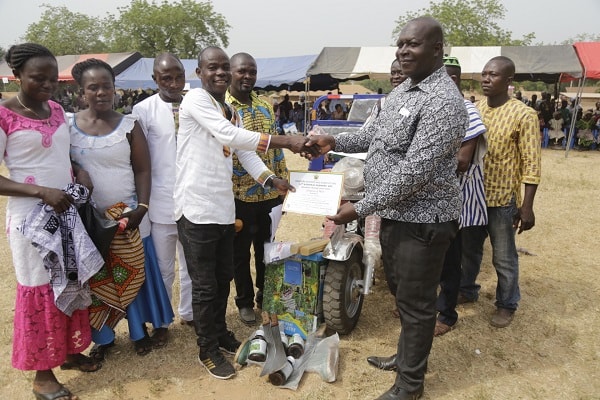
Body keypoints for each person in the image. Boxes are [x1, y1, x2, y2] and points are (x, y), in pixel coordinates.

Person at [306, 17, 466, 400]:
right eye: (400, 45)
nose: (403, 51)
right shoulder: (403, 91)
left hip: (423, 221)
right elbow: (373, 136)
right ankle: (405, 357)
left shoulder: (443, 101)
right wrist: (333, 139)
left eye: (413, 44)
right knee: (402, 294)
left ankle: (410, 385)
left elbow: (415, 171)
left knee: (417, 303)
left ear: (437, 49)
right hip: (395, 214)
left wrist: (360, 208)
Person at [174, 46, 313, 380]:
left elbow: (243, 150)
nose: (220, 73)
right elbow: (230, 136)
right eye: (213, 68)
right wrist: (286, 142)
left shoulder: (227, 109)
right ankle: (206, 349)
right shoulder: (195, 101)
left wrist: (270, 179)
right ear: (199, 73)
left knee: (223, 278)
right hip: (196, 209)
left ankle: (219, 333)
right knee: (206, 286)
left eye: (224, 67)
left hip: (223, 208)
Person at [0, 42, 101, 400]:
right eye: (37, 79)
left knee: (70, 282)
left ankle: (70, 352)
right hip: (31, 221)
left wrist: (80, 172)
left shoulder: (58, 110)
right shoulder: (4, 115)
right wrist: (43, 192)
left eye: (51, 79)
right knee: (42, 290)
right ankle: (43, 377)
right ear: (17, 77)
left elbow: (62, 156)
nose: (47, 85)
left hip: (66, 212)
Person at [68, 59, 174, 360]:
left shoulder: (129, 124)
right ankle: (104, 337)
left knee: (134, 275)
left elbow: (143, 170)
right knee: (99, 279)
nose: (101, 92)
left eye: (107, 86)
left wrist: (140, 208)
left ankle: (140, 332)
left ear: (115, 89)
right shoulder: (69, 126)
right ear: (81, 92)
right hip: (91, 222)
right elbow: (61, 160)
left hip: (129, 218)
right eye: (93, 87)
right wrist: (78, 169)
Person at [458, 56, 541, 328]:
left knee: (504, 257)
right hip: (472, 197)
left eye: (493, 75)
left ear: (508, 81)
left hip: (501, 199)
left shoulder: (524, 115)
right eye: (484, 74)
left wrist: (526, 206)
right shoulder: (475, 109)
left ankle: (507, 303)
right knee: (469, 251)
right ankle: (467, 290)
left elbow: (531, 163)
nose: (486, 79)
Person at [132, 53, 194, 338]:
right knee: (163, 268)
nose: (173, 83)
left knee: (192, 266)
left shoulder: (197, 103)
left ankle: (190, 313)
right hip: (160, 204)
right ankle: (161, 321)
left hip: (194, 203)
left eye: (178, 76)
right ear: (155, 79)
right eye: (165, 78)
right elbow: (139, 161)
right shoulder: (142, 110)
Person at [225, 52, 289, 325]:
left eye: (252, 71)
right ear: (230, 72)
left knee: (268, 249)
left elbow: (275, 149)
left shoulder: (264, 105)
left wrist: (282, 182)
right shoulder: (222, 108)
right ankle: (243, 301)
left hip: (269, 193)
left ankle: (265, 296)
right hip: (237, 194)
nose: (247, 76)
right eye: (242, 71)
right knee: (239, 253)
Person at [433, 56, 488, 337]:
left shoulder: (468, 111)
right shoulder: (434, 108)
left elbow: (463, 161)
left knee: (451, 259)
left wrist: (421, 168)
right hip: (433, 199)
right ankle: (428, 307)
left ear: (452, 80)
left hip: (459, 200)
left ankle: (447, 314)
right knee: (431, 256)